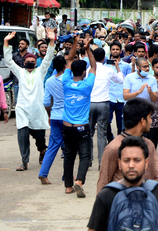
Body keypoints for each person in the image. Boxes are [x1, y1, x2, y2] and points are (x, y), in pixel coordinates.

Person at [97, 98, 158, 198]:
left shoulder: (149, 145)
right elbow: (103, 182)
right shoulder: (113, 148)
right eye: (150, 117)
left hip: (146, 206)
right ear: (143, 121)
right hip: (121, 209)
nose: (151, 121)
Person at [3, 31, 54, 171]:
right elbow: (8, 61)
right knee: (22, 135)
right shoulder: (20, 71)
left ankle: (42, 150)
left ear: (35, 63)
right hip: (23, 109)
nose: (30, 63)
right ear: (24, 63)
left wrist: (51, 41)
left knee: (39, 138)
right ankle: (24, 161)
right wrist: (6, 42)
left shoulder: (40, 71)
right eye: (28, 62)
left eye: (32, 62)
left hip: (37, 110)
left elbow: (49, 58)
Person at [62, 35, 96, 197]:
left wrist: (75, 43)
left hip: (67, 126)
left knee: (68, 156)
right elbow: (94, 66)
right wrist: (88, 49)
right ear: (84, 72)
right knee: (85, 156)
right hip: (82, 127)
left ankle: (68, 186)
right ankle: (79, 181)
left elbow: (68, 60)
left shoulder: (66, 82)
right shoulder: (87, 85)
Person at [88, 47, 124, 168]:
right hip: (103, 103)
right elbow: (120, 80)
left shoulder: (89, 69)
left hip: (90, 103)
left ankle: (88, 159)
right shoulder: (108, 70)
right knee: (102, 133)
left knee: (89, 132)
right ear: (104, 58)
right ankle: (101, 162)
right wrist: (117, 67)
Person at [38, 55, 66, 184]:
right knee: (69, 147)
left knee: (52, 146)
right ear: (65, 66)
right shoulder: (68, 79)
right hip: (68, 117)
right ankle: (67, 176)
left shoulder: (49, 81)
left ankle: (43, 174)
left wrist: (50, 114)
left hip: (55, 116)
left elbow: (46, 102)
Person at [106, 41, 132, 141]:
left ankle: (120, 144)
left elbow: (129, 80)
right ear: (110, 51)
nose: (115, 51)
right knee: (106, 122)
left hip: (122, 99)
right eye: (113, 49)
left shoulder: (126, 66)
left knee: (121, 125)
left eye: (117, 49)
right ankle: (111, 140)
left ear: (121, 51)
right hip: (109, 98)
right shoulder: (106, 66)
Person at [11, 36, 30, 103]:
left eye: (22, 44)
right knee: (17, 101)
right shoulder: (14, 56)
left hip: (27, 82)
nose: (20, 45)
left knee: (27, 101)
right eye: (19, 44)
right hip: (17, 82)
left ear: (27, 46)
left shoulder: (30, 56)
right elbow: (12, 69)